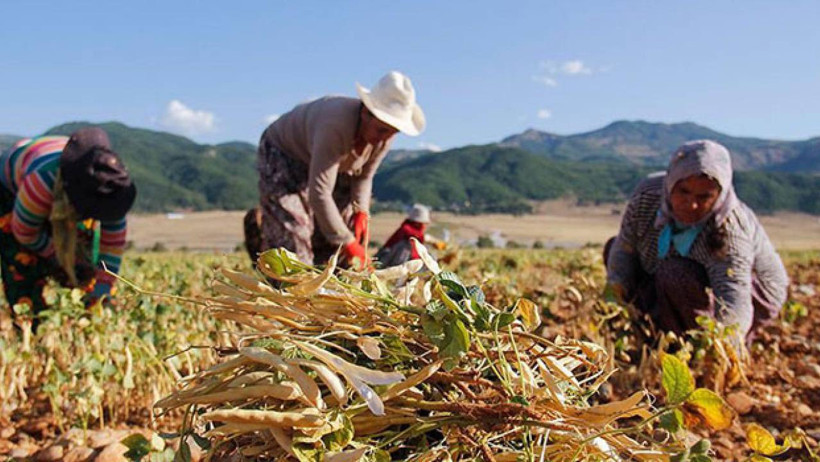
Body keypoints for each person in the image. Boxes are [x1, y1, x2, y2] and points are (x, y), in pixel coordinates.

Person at [604, 140, 788, 344]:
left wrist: (723, 346)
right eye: (683, 191)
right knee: (614, 249)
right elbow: (624, 249)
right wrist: (614, 303)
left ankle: (687, 346)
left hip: (753, 291)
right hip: (679, 276)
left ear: (720, 195)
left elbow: (733, 297)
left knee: (675, 273)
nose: (691, 204)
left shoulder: (729, 230)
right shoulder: (647, 196)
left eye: (704, 196)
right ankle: (657, 332)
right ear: (671, 182)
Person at [244, 71, 425, 269]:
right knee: (294, 232)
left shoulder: (383, 138)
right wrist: (346, 241)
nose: (385, 138)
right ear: (365, 113)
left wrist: (361, 211)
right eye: (382, 130)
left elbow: (364, 178)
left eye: (392, 133)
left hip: (330, 166)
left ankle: (327, 283)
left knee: (338, 231)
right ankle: (280, 272)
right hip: (285, 154)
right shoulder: (335, 125)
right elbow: (319, 194)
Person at [0, 127, 136, 319]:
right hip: (11, 187)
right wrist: (59, 257)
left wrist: (102, 288)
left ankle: (81, 313)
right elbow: (25, 232)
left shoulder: (112, 186)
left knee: (84, 260)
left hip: (68, 182)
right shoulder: (41, 181)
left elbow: (111, 246)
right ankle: (31, 322)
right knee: (24, 262)